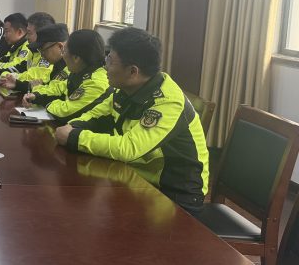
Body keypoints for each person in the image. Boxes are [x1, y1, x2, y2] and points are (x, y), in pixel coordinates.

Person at [54, 27, 210, 214]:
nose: (105, 67)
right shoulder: (126, 88)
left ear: (132, 71)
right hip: (138, 177)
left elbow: (128, 148)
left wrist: (74, 137)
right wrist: (73, 126)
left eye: (110, 61)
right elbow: (96, 114)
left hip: (175, 194)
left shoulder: (168, 103)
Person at [21, 29, 112, 124]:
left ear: (76, 58)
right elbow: (59, 88)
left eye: (64, 51)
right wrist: (36, 96)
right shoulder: (79, 71)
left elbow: (65, 112)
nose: (63, 55)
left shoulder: (96, 82)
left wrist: (47, 104)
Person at [2, 23, 70, 92]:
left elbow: (54, 93)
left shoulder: (70, 69)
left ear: (60, 47)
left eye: (43, 50)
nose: (42, 55)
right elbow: (45, 85)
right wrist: (18, 84)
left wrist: (34, 91)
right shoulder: (58, 65)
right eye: (40, 51)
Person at [0, 13, 31, 83]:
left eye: (7, 31)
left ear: (19, 32)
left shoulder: (27, 46)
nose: (4, 35)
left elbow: (17, 67)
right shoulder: (16, 45)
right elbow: (5, 58)